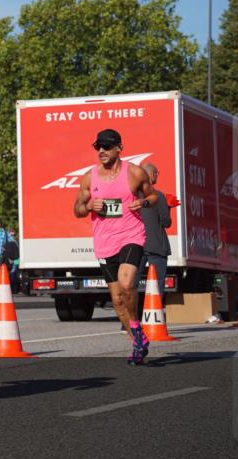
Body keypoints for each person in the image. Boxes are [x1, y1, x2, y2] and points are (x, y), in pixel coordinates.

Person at [73, 129, 158, 365]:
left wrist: (142, 202)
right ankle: (137, 339)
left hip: (131, 235)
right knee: (117, 299)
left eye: (107, 147)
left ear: (119, 148)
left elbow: (153, 197)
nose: (101, 151)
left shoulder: (134, 173)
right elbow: (77, 209)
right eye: (98, 147)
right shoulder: (90, 178)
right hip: (104, 242)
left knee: (126, 282)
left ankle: (134, 329)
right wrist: (89, 205)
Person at [133, 162, 172, 317]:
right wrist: (168, 208)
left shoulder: (133, 196)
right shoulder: (158, 196)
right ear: (150, 175)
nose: (157, 176)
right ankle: (154, 317)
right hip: (156, 245)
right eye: (156, 173)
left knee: (133, 284)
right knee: (157, 283)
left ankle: (129, 322)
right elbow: (165, 222)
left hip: (137, 244)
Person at [4, 229, 20, 294]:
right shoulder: (14, 241)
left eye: (13, 235)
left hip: (15, 260)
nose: (12, 236)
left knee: (13, 273)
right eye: (11, 234)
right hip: (12, 260)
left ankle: (14, 289)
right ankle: (14, 289)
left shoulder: (16, 241)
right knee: (12, 274)